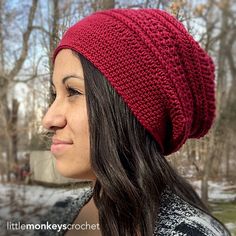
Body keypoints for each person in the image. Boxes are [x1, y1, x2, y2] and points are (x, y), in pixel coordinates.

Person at [37, 8, 231, 236]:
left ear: (129, 110)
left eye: (73, 91)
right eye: (54, 94)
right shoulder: (61, 214)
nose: (48, 119)